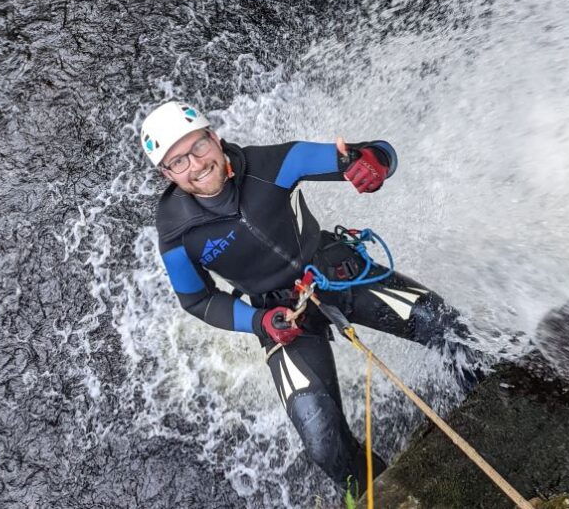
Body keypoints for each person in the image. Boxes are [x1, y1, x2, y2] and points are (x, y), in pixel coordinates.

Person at [141, 101, 470, 495]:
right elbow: (197, 301)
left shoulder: (270, 164)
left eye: (198, 147)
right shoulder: (176, 233)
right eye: (178, 162)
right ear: (167, 174)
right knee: (322, 438)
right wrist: (258, 322)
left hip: (334, 271)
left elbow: (379, 153)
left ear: (215, 137)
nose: (196, 165)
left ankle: (493, 402)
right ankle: (383, 495)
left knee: (446, 326)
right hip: (278, 316)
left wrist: (369, 164)